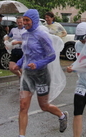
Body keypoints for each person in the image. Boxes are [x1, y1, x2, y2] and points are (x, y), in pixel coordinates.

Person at [12, 9, 68, 137]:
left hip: (41, 74)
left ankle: (62, 115)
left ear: (34, 20)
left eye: (27, 20)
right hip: (27, 75)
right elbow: (26, 54)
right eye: (23, 20)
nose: (24, 23)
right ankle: (22, 135)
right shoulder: (25, 34)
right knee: (23, 106)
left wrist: (37, 64)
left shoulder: (42, 34)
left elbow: (51, 55)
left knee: (44, 106)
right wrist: (19, 64)